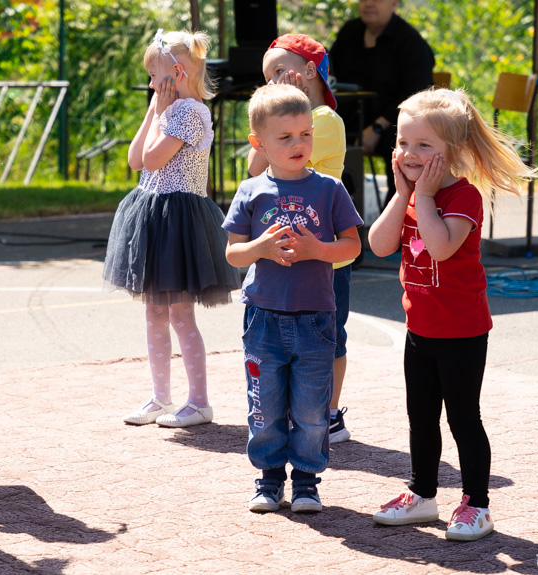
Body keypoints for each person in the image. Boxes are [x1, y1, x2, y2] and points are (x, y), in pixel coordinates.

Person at [368, 88, 538, 541]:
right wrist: (404, 193)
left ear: (452, 152)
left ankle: (476, 505)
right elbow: (380, 245)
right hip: (418, 329)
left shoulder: (464, 197)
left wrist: (420, 196)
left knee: (463, 418)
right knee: (420, 417)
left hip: (462, 332)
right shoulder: (412, 194)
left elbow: (440, 247)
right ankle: (423, 495)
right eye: (404, 143)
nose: (410, 153)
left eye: (425, 146)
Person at [223, 84, 363, 513]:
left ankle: (305, 481)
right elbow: (233, 252)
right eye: (284, 138)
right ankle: (268, 481)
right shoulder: (250, 191)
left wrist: (318, 250)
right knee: (264, 405)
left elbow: (353, 245)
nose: (298, 144)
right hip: (263, 317)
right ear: (258, 143)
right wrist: (261, 249)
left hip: (315, 318)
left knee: (310, 408)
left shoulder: (329, 189)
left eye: (305, 134)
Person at [104, 29, 240, 428]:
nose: (150, 84)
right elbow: (134, 160)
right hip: (154, 215)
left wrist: (160, 113)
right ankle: (160, 397)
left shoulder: (190, 113)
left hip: (177, 220)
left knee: (181, 313)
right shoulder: (168, 112)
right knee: (154, 312)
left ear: (176, 74)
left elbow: (153, 158)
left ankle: (198, 401)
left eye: (154, 77)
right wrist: (152, 110)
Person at [246, 33, 355, 444]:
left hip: (325, 257)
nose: (272, 83)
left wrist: (278, 124)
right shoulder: (286, 125)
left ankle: (329, 413)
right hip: (287, 253)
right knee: (287, 334)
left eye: (279, 72)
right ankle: (302, 407)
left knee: (328, 336)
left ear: (308, 72)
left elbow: (268, 162)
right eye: (266, 78)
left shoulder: (323, 120)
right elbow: (256, 171)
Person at [329, 0, 435, 205]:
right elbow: (330, 78)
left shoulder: (410, 42)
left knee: (400, 141)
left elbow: (416, 95)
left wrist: (377, 127)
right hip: (348, 119)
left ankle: (398, 218)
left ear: (394, 2)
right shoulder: (349, 33)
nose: (369, 3)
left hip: (391, 123)